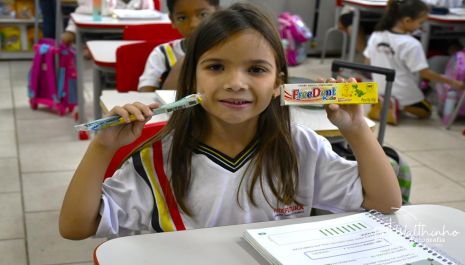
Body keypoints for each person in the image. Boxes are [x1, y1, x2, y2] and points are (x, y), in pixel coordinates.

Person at [59, 2, 402, 240]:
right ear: (191, 80)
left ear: (278, 83)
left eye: (256, 69)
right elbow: (75, 227)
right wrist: (102, 148)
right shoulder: (160, 157)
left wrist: (357, 130)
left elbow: (386, 203)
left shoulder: (301, 147)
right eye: (216, 66)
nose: (236, 82)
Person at [363, 0, 465, 124]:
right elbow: (425, 73)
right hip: (403, 92)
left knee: (385, 90)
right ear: (407, 21)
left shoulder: (377, 34)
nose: (420, 27)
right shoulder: (411, 44)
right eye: (420, 23)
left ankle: (382, 102)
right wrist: (452, 82)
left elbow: (367, 62)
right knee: (427, 111)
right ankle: (393, 104)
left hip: (377, 88)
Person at [138, 0, 219, 92]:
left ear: (219, 14)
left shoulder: (229, 51)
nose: (193, 24)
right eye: (182, 18)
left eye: (203, 15)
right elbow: (145, 92)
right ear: (172, 20)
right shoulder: (163, 53)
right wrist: (184, 62)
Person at [61, 0, 155, 45]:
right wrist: (71, 30)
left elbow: (152, 16)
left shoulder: (145, 2)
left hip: (134, 37)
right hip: (104, 35)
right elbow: (81, 13)